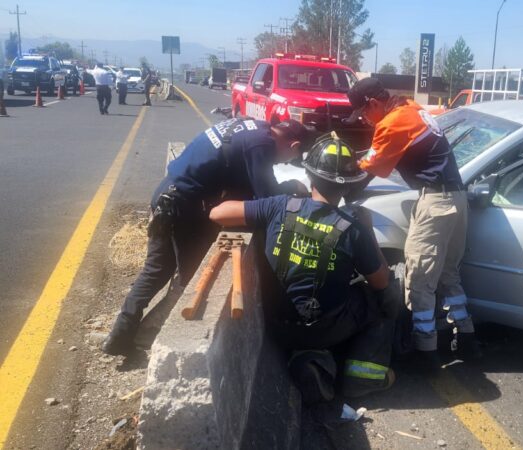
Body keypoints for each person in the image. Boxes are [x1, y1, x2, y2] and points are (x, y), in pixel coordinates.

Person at [209, 133, 399, 402]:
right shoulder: (352, 228)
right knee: (384, 297)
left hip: (277, 325)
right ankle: (363, 376)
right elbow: (380, 281)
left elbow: (218, 213)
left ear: (309, 176)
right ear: (346, 187)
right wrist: (367, 229)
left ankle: (313, 361)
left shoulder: (279, 206)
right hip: (323, 327)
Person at [101, 118, 314, 355]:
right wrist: (292, 185)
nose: (282, 162)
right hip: (182, 208)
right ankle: (148, 337)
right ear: (294, 146)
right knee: (189, 277)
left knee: (155, 271)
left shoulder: (250, 126)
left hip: (165, 195)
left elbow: (239, 178)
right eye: (290, 158)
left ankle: (120, 334)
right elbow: (266, 195)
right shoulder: (260, 144)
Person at [344, 77, 481, 373]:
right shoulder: (411, 108)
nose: (365, 121)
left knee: (418, 278)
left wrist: (345, 174)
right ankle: (467, 338)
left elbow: (374, 166)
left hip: (436, 203)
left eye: (364, 113)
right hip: (456, 200)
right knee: (447, 272)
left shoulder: (392, 122)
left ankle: (425, 353)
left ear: (373, 103)